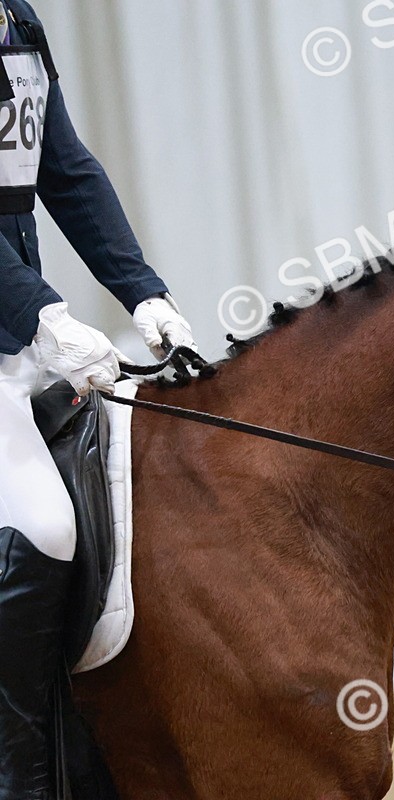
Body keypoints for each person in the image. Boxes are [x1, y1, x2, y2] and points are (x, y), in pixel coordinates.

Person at [0, 1, 196, 795]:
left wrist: (142, 292)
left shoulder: (18, 20)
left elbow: (66, 169)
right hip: (16, 326)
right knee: (45, 525)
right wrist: (43, 315)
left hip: (16, 339)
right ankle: (18, 774)